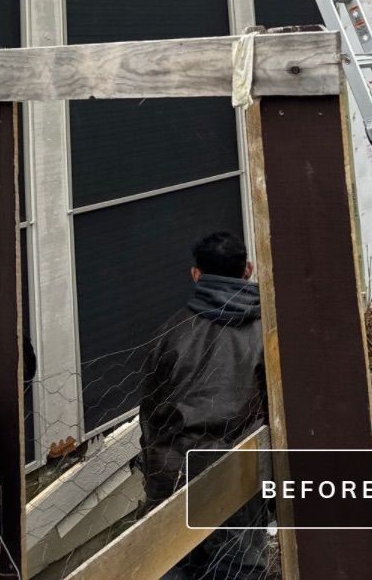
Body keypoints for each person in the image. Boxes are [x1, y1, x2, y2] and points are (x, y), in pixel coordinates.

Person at [138, 231, 272, 578]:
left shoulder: (169, 332)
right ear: (248, 270)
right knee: (238, 566)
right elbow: (277, 410)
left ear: (196, 274)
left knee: (174, 562)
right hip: (235, 469)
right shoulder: (267, 332)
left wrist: (155, 475)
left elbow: (150, 415)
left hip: (174, 470)